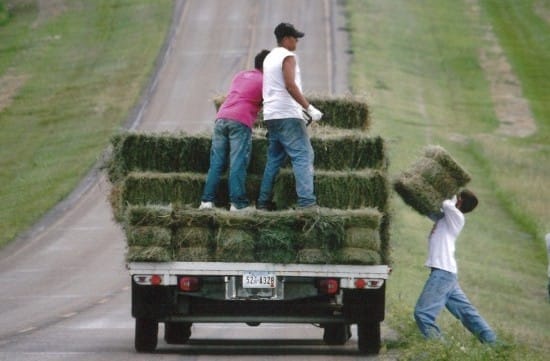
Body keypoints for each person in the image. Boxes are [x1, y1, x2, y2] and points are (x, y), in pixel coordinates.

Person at [414, 189, 497, 344]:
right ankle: (495, 344)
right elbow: (430, 211)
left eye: (457, 197)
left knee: (423, 314)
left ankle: (440, 349)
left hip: (443, 273)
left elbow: (446, 203)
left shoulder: (457, 217)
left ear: (459, 201)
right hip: (447, 274)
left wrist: (450, 190)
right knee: (467, 314)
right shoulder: (445, 218)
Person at [256, 22, 323, 210]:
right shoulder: (288, 56)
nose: (297, 42)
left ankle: (262, 202)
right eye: (295, 38)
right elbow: (290, 85)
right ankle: (307, 203)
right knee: (303, 155)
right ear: (286, 39)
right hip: (287, 114)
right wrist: (309, 107)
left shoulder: (269, 58)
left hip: (271, 115)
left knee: (274, 159)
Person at [199, 49, 270, 211]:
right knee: (237, 162)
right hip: (240, 121)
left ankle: (206, 201)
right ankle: (237, 203)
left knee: (216, 162)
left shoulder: (240, 75)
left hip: (221, 117)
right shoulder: (266, 81)